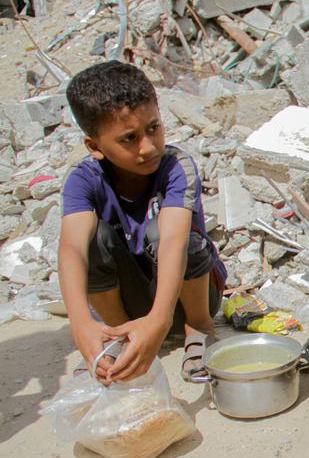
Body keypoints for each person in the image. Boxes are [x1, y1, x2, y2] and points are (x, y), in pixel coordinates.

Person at [59, 61, 225, 383]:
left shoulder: (177, 167)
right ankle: (120, 336)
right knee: (93, 241)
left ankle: (199, 328)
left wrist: (160, 320)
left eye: (153, 128)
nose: (148, 147)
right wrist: (80, 324)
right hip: (131, 304)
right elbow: (72, 250)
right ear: (95, 147)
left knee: (169, 233)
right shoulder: (83, 181)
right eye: (129, 138)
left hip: (184, 299)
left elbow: (175, 242)